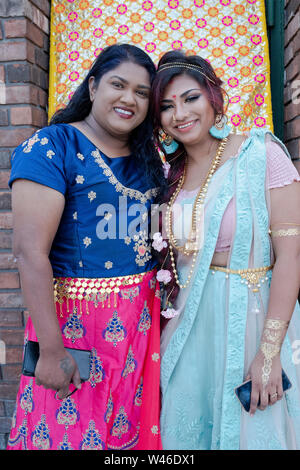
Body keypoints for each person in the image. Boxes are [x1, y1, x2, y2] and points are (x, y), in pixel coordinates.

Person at [7, 44, 164, 451]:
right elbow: (29, 253)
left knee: (128, 437)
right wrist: (51, 350)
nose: (129, 99)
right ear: (93, 86)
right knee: (68, 434)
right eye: (118, 84)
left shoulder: (150, 157)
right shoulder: (53, 147)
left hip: (141, 327)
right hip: (76, 327)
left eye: (143, 93)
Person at [151, 50, 300, 450]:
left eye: (190, 97)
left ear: (213, 97)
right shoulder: (169, 175)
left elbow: (291, 256)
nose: (179, 113)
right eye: (166, 106)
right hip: (190, 327)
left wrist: (268, 353)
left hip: (253, 318)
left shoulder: (261, 154)